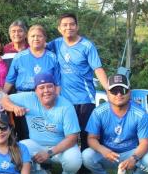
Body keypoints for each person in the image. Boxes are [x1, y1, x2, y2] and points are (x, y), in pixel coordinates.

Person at [1, 72, 82, 174]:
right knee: (17, 150)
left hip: (60, 148)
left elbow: (72, 138)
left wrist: (49, 153)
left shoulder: (66, 106)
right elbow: (4, 99)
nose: (46, 91)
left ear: (55, 88)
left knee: (74, 159)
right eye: (41, 87)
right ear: (35, 90)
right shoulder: (29, 97)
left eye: (50, 86)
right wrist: (14, 108)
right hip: (37, 145)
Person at [82, 74, 148, 174]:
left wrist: (133, 158)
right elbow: (91, 139)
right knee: (86, 156)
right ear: (108, 93)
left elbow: (145, 143)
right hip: (108, 153)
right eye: (114, 90)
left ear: (130, 92)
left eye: (123, 90)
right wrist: (103, 150)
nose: (119, 94)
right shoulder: (98, 112)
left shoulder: (140, 113)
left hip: (130, 153)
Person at [46, 13, 108, 155]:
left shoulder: (87, 46)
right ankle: (70, 165)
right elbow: (37, 47)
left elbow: (97, 69)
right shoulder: (56, 43)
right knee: (67, 134)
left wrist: (108, 90)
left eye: (72, 24)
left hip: (85, 99)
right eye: (65, 25)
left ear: (77, 27)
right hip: (64, 100)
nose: (69, 27)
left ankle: (86, 167)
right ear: (59, 28)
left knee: (86, 135)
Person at [4, 25, 60, 94]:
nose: (36, 39)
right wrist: (1, 98)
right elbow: (10, 80)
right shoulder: (19, 57)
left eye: (39, 36)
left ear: (45, 38)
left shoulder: (52, 57)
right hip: (23, 96)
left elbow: (57, 83)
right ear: (28, 38)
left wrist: (56, 100)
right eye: (32, 36)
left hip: (46, 96)